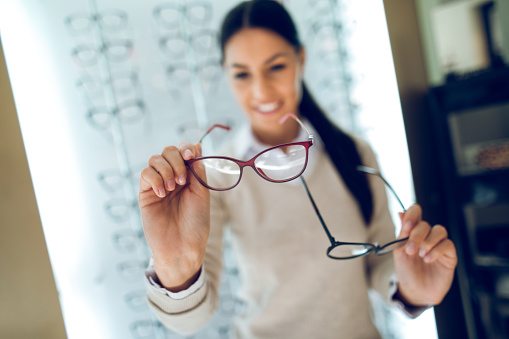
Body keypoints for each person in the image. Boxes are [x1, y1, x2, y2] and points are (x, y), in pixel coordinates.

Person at [139, 1, 457, 338]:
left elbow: (379, 262)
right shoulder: (216, 176)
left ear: (300, 59)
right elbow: (188, 321)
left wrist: (413, 290)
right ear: (225, 73)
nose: (260, 90)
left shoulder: (354, 154)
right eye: (242, 73)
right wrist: (176, 265)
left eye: (275, 67)